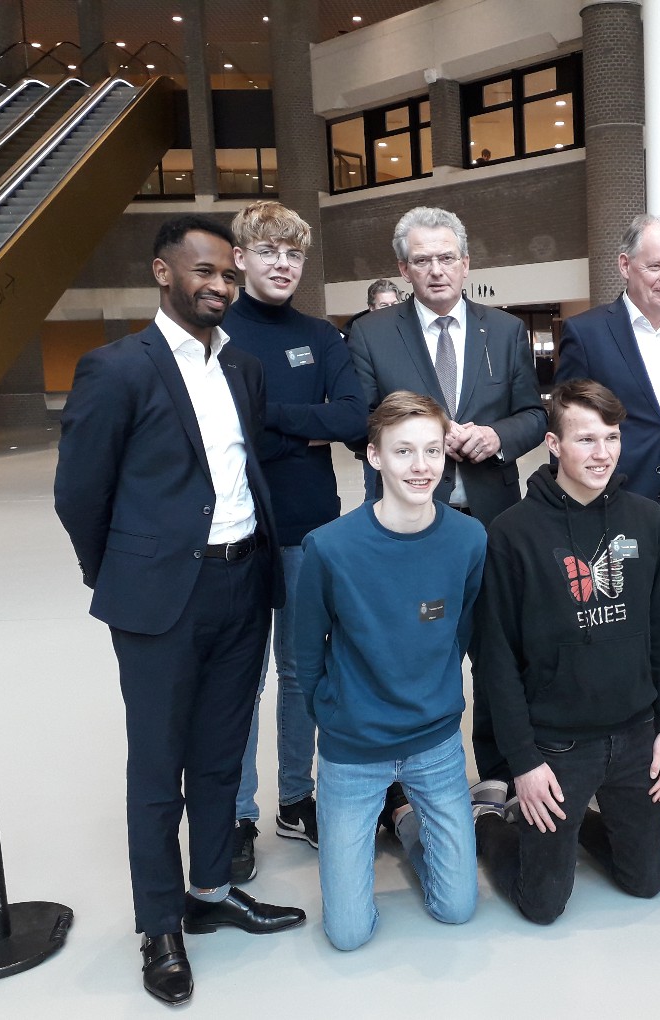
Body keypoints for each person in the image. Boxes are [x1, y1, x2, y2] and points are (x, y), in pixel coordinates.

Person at [54, 216, 305, 1006]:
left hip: (243, 583)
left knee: (222, 757)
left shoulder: (245, 369)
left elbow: (240, 468)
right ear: (163, 273)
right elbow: (79, 494)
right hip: (162, 596)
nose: (220, 285)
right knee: (158, 769)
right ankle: (158, 924)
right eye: (204, 271)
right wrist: (124, 576)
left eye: (228, 274)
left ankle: (210, 896)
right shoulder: (115, 368)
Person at [472, 379, 660, 925]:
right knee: (541, 905)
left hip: (636, 733)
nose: (602, 453)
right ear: (553, 444)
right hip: (559, 743)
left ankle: (574, 825)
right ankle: (489, 824)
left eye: (611, 438)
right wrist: (522, 760)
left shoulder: (648, 521)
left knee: (646, 883)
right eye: (586, 439)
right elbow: (495, 657)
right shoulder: (511, 533)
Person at [296, 391, 487, 951]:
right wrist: (336, 712)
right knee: (348, 934)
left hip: (435, 743)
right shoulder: (329, 548)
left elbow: (463, 630)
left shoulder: (468, 538)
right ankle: (389, 809)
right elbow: (307, 655)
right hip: (353, 750)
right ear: (374, 457)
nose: (421, 467)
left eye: (432, 450)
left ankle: (403, 820)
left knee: (457, 908)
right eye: (403, 451)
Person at [554, 214, 660, 819]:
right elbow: (571, 424)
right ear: (625, 266)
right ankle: (610, 768)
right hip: (613, 513)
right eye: (655, 265)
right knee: (615, 636)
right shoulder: (587, 333)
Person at [223, 200, 367, 882]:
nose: (282, 264)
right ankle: (238, 813)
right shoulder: (217, 331)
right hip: (239, 531)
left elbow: (352, 417)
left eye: (293, 254)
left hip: (310, 528)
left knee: (303, 672)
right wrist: (304, 426)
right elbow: (216, 426)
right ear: (240, 258)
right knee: (241, 678)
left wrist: (263, 414)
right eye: (269, 251)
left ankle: (294, 797)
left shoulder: (323, 335)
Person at [347, 206, 547, 522]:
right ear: (404, 269)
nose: (437, 270)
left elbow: (534, 416)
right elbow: (356, 422)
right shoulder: (371, 334)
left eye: (447, 258)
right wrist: (426, 435)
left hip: (494, 513)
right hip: (407, 513)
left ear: (465, 264)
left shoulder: (506, 331)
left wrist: (496, 436)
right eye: (422, 260)